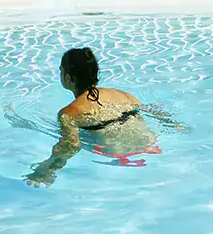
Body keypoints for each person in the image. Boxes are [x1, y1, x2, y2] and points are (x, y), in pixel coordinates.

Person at [25, 48, 177, 187]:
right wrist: (176, 125)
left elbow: (71, 146)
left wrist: (46, 169)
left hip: (118, 153)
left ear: (68, 77)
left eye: (60, 71)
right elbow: (153, 111)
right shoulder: (122, 95)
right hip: (151, 145)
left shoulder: (69, 113)